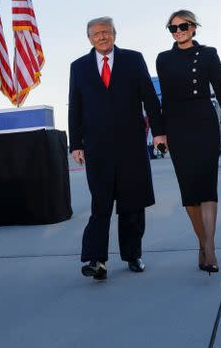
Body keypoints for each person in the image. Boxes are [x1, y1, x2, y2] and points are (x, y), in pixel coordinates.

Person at [68, 17, 165, 281]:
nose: (102, 37)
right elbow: (75, 107)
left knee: (132, 204)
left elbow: (150, 98)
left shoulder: (134, 60)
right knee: (100, 204)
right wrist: (75, 144)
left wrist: (159, 132)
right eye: (96, 34)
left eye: (106, 32)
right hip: (97, 149)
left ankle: (133, 255)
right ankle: (96, 260)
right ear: (89, 38)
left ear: (114, 34)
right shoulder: (78, 67)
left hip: (131, 146)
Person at [155, 10, 221, 275]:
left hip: (204, 122)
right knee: (190, 193)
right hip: (178, 127)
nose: (178, 31)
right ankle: (202, 243)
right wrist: (161, 133)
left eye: (183, 26)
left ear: (194, 28)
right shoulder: (163, 59)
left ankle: (211, 248)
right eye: (173, 28)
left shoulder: (208, 54)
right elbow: (164, 100)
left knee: (206, 186)